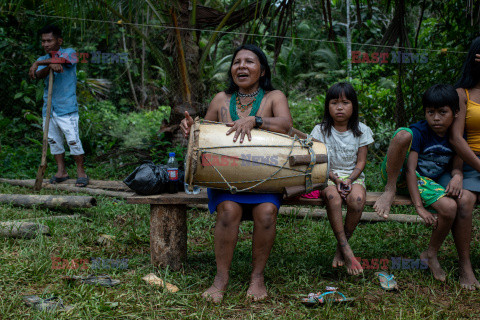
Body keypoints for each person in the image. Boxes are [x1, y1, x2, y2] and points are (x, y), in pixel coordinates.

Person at [180, 44, 292, 302]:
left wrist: (257, 120)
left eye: (249, 62)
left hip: (266, 177)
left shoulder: (274, 97)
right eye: (237, 62)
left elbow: (286, 125)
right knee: (229, 210)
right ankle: (221, 279)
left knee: (266, 212)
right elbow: (203, 132)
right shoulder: (221, 99)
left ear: (262, 70)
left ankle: (257, 277)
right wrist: (190, 128)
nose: (241, 66)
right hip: (225, 177)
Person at [378, 84, 478, 289]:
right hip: (404, 175)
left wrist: (457, 176)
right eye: (430, 112)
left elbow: (457, 166)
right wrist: (419, 207)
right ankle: (390, 191)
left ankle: (430, 253)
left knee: (450, 207)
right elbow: (410, 170)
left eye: (443, 112)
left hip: (425, 181)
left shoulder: (457, 137)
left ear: (455, 113)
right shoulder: (420, 132)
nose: (436, 118)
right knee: (403, 136)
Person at [310, 82, 374, 275]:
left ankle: (341, 248)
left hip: (353, 177)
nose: (339, 107)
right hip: (327, 175)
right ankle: (347, 250)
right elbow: (319, 161)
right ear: (327, 106)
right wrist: (335, 179)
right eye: (334, 102)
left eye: (345, 102)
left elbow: (361, 162)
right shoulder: (319, 131)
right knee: (333, 198)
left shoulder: (362, 130)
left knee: (357, 201)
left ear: (353, 106)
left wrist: (349, 180)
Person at [28, 25, 88, 187]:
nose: (45, 44)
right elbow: (37, 75)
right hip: (49, 109)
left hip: (66, 108)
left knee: (73, 140)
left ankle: (81, 173)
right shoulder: (45, 59)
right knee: (54, 141)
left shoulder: (70, 53)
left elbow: (64, 61)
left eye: (49, 40)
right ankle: (61, 172)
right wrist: (48, 65)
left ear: (59, 41)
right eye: (43, 41)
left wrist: (39, 62)